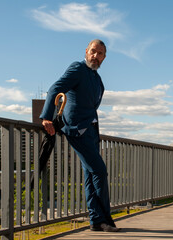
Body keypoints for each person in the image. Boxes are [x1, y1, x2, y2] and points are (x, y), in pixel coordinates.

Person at [40, 39, 120, 232]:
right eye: (93, 51)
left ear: (104, 57)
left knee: (90, 174)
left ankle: (95, 221)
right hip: (77, 129)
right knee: (99, 171)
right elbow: (54, 89)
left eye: (100, 54)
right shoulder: (77, 68)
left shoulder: (97, 78)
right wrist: (46, 117)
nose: (96, 56)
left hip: (91, 131)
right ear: (86, 51)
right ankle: (106, 219)